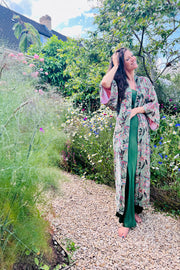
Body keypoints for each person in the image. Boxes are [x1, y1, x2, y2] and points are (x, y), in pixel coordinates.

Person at [100, 48, 160, 238]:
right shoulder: (119, 83)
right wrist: (115, 64)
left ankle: (134, 209)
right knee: (126, 170)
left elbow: (154, 104)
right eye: (127, 58)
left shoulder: (144, 82)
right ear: (122, 63)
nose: (133, 58)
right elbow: (104, 83)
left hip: (141, 134)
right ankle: (126, 219)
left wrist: (139, 109)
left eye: (132, 55)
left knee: (137, 170)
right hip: (124, 134)